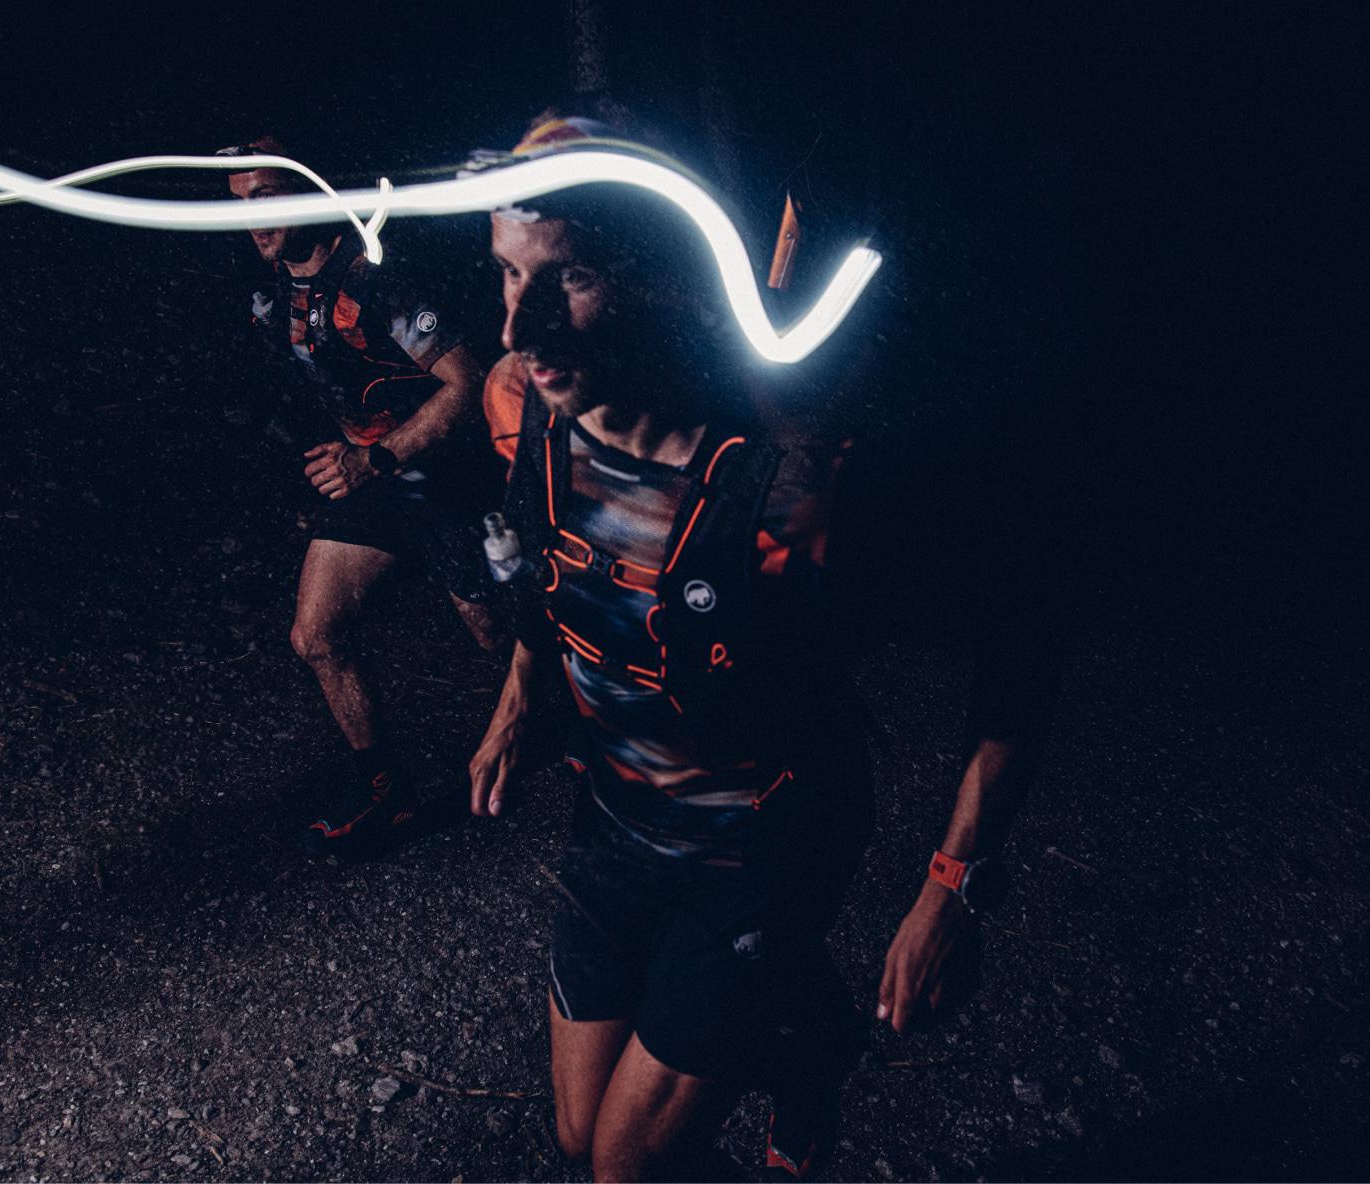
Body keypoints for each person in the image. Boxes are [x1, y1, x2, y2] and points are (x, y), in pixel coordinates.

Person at [467, 110, 1055, 1181]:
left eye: (570, 278)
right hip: (612, 824)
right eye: (508, 277)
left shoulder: (787, 488)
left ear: (651, 277)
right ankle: (804, 1029)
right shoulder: (522, 408)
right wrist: (518, 701)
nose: (521, 327)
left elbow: (1021, 648)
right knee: (573, 1136)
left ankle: (799, 1032)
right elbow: (551, 576)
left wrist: (952, 887)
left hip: (757, 853)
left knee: (622, 1166)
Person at [220, 137, 499, 853]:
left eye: (266, 198)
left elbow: (470, 384)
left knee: (502, 642)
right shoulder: (267, 296)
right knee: (315, 637)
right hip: (374, 483)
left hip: (452, 482)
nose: (255, 220)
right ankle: (390, 798)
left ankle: (604, 753)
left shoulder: (375, 277)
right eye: (238, 203)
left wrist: (376, 456)